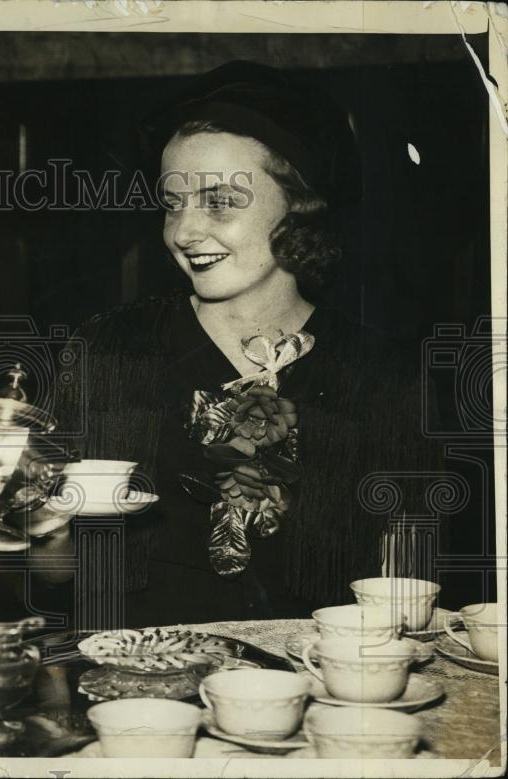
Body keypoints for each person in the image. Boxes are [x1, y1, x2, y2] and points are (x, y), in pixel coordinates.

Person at [49, 62, 444, 627]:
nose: (184, 232)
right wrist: (38, 521)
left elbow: (409, 588)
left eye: (220, 202)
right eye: (172, 203)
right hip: (138, 691)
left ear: (298, 204)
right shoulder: (108, 349)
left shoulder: (384, 374)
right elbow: (54, 575)